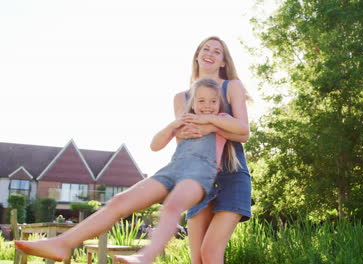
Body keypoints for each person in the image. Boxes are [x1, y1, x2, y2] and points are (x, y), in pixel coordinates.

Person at [14, 78, 249, 264]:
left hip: (199, 174)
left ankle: (145, 257)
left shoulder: (221, 118)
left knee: (173, 205)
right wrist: (173, 126)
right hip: (172, 169)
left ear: (219, 105)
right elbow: (155, 145)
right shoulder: (184, 120)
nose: (207, 105)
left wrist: (208, 121)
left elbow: (241, 129)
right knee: (119, 201)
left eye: (212, 101)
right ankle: (64, 242)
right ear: (192, 102)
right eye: (201, 101)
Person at [174, 36, 252, 263]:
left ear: (223, 62)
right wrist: (220, 124)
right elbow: (183, 141)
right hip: (198, 179)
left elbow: (243, 133)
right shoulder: (181, 98)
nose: (210, 53)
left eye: (217, 51)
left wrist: (205, 123)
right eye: (206, 49)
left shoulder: (232, 87)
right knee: (197, 258)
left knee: (210, 252)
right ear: (197, 56)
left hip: (232, 175)